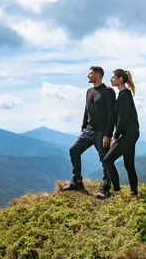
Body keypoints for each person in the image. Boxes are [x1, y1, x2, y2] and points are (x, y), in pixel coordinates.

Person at [61, 66, 117, 199]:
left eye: (90, 73)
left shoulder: (108, 91)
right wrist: (83, 127)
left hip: (102, 132)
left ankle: (105, 189)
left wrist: (108, 134)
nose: (87, 76)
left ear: (98, 75)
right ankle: (77, 181)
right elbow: (86, 109)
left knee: (105, 160)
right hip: (88, 131)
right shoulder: (89, 91)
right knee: (74, 150)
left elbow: (112, 115)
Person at [103, 68, 140, 198]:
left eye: (113, 77)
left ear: (120, 79)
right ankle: (134, 195)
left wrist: (115, 136)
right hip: (130, 133)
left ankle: (117, 192)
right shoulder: (122, 95)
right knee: (129, 165)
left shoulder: (125, 95)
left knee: (108, 160)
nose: (110, 79)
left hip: (129, 134)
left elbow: (122, 118)